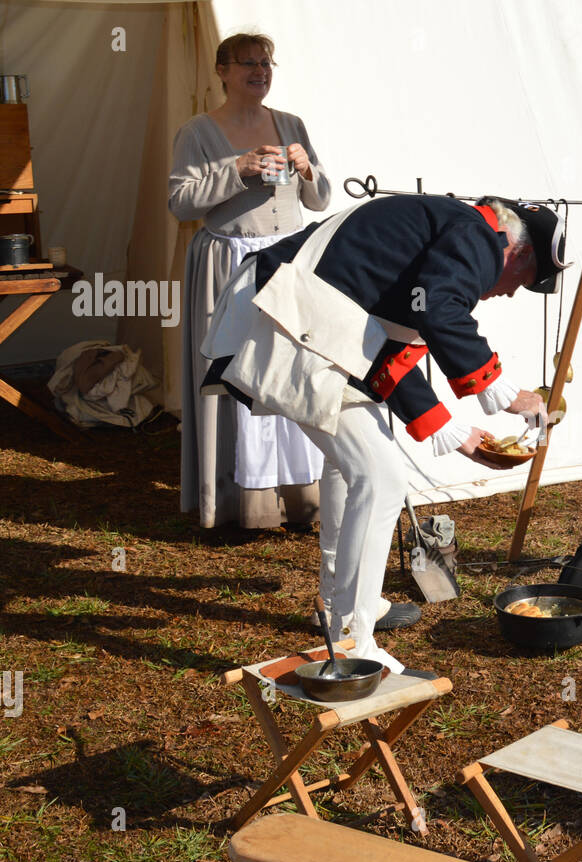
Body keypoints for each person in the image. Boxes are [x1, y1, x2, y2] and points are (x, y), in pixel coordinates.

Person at [201, 194, 569, 671]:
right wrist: (504, 392)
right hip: (285, 315)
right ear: (518, 252)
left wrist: (455, 433)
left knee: (349, 468)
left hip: (292, 315)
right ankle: (355, 639)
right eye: (526, 280)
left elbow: (380, 358)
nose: (514, 292)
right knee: (381, 479)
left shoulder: (434, 239)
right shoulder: (478, 233)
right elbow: (441, 312)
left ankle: (343, 611)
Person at [169, 33, 330, 530]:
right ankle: (241, 502)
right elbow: (181, 202)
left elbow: (319, 199)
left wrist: (307, 171)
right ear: (222, 71)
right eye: (248, 64)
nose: (260, 71)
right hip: (229, 262)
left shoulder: (290, 124)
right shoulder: (197, 131)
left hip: (286, 261)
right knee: (237, 373)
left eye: (266, 63)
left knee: (291, 371)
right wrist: (237, 169)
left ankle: (302, 497)